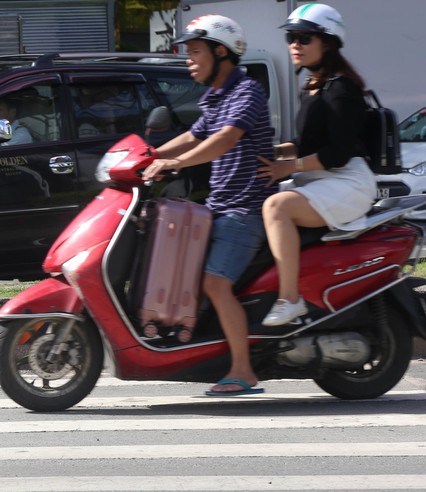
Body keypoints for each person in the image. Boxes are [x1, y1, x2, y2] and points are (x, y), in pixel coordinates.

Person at [142, 14, 276, 396]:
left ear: (221, 52)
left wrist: (174, 163)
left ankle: (243, 370)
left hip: (243, 210)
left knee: (215, 284)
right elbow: (193, 135)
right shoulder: (217, 96)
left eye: (196, 52)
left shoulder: (247, 92)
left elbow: (224, 141)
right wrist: (148, 155)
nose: (189, 60)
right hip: (219, 207)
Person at [256, 3, 377, 327]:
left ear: (327, 42)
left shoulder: (341, 88)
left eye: (304, 38)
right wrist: (265, 151)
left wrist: (288, 166)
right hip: (317, 178)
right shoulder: (313, 85)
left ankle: (289, 298)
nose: (295, 44)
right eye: (291, 37)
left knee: (277, 207)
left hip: (346, 182)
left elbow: (337, 153)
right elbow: (306, 143)